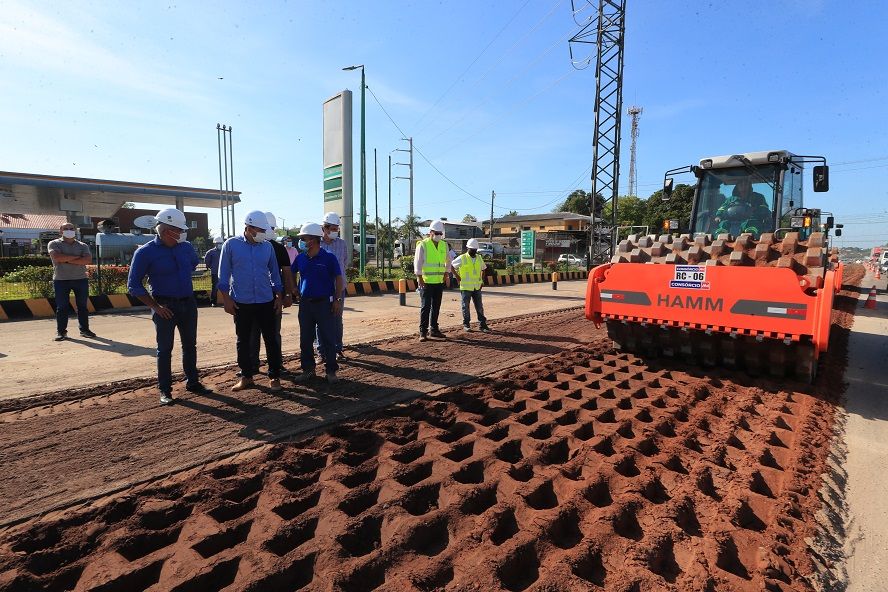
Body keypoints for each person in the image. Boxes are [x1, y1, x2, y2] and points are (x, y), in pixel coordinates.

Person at [127, 208, 208, 405]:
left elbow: (193, 264)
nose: (182, 233)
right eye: (178, 230)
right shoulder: (145, 252)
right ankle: (165, 390)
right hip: (164, 307)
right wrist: (156, 307)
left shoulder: (186, 247)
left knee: (190, 346)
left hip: (188, 304)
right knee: (164, 349)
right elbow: (134, 285)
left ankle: (193, 382)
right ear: (165, 231)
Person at [218, 211, 284, 392]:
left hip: (265, 300)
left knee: (271, 339)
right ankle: (246, 376)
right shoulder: (231, 245)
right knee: (243, 341)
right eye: (261, 230)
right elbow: (223, 274)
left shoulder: (267, 247)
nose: (263, 233)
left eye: (265, 230)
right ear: (249, 227)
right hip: (241, 301)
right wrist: (226, 300)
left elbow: (275, 273)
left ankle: (274, 376)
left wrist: (279, 296)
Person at [292, 223, 344, 384]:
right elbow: (291, 272)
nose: (301, 242)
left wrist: (337, 299)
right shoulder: (300, 258)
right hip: (305, 305)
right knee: (305, 340)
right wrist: (293, 288)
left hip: (324, 304)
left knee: (328, 338)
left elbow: (339, 279)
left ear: (314, 240)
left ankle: (331, 371)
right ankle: (308, 370)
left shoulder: (329, 257)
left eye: (304, 239)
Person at [247, 212, 295, 374]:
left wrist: (287, 295)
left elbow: (287, 273)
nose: (271, 231)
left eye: (272, 228)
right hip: (253, 299)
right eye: (269, 228)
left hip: (274, 298)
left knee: (273, 334)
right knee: (253, 334)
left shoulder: (279, 248)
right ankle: (252, 366)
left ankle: (276, 364)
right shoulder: (249, 246)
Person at [48, 222, 95, 341]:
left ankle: (85, 330)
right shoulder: (54, 243)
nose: (69, 230)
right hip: (61, 280)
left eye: (71, 228)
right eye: (66, 228)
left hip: (81, 279)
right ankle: (61, 332)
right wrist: (78, 258)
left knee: (82, 307)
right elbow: (57, 257)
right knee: (62, 307)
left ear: (75, 230)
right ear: (60, 231)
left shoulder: (83, 245)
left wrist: (66, 259)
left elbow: (87, 260)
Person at [318, 211, 351, 361]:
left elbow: (344, 263)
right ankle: (321, 351)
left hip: (338, 288)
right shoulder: (317, 244)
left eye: (337, 228)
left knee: (337, 319)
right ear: (324, 228)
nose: (335, 231)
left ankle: (338, 349)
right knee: (321, 320)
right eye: (332, 228)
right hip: (321, 289)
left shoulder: (341, 244)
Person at [414, 219, 452, 342]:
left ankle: (434, 330)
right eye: (437, 233)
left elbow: (448, 260)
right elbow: (418, 262)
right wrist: (419, 277)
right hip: (426, 281)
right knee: (426, 306)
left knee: (436, 306)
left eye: (440, 233)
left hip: (439, 281)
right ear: (430, 232)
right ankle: (423, 332)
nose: (439, 235)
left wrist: (446, 273)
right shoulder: (423, 244)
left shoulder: (444, 245)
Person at [452, 238, 491, 333]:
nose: (474, 251)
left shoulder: (479, 258)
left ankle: (482, 324)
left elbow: (483, 269)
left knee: (479, 306)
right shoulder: (462, 258)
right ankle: (466, 324)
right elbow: (451, 266)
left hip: (477, 286)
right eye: (472, 249)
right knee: (465, 306)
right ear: (467, 248)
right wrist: (457, 276)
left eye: (475, 250)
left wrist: (482, 281)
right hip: (466, 287)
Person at [204, 236, 223, 306]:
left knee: (227, 286)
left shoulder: (224, 251)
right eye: (218, 243)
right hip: (215, 273)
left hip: (224, 272)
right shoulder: (210, 252)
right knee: (215, 287)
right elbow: (207, 262)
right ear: (215, 244)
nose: (220, 244)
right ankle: (213, 302)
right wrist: (211, 267)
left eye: (221, 243)